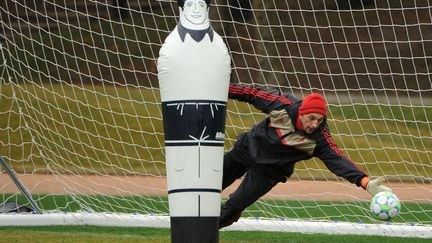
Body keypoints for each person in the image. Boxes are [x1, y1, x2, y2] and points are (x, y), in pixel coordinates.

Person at [219, 83, 392, 229]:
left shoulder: (319, 138)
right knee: (210, 183)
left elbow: (338, 160)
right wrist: (218, 89)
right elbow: (250, 92)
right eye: (311, 118)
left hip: (270, 171)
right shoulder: (282, 105)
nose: (315, 124)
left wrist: (365, 182)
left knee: (233, 208)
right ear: (301, 111)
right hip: (248, 148)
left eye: (320, 119)